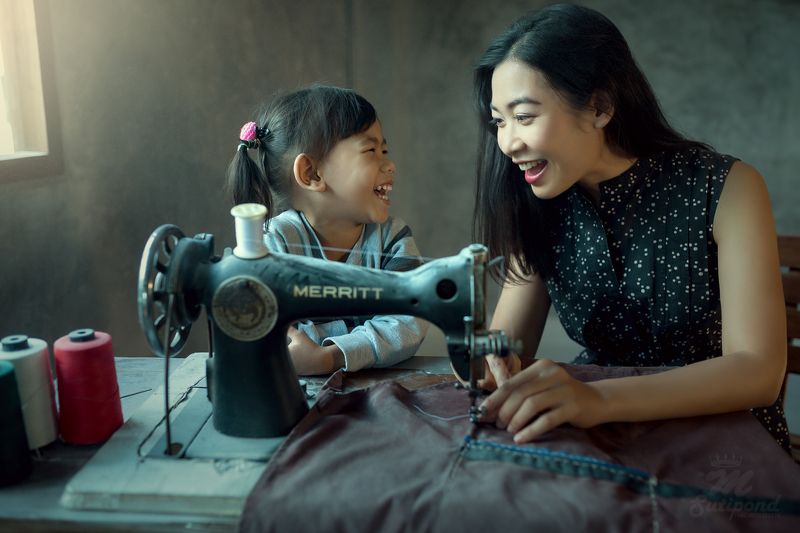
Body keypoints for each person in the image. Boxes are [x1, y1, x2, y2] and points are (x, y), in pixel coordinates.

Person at [471, 4, 789, 452]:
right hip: (602, 430)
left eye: (524, 117)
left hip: (722, 432)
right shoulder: (537, 204)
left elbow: (758, 371)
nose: (507, 143)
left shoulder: (726, 188)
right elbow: (503, 352)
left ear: (599, 107)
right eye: (499, 122)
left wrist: (596, 398)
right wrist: (487, 354)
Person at [226, 84, 428, 375]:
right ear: (312, 173)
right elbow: (269, 332)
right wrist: (363, 344)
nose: (390, 164)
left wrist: (329, 356)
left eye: (385, 149)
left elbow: (408, 324)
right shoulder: (272, 245)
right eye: (371, 150)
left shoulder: (392, 240)